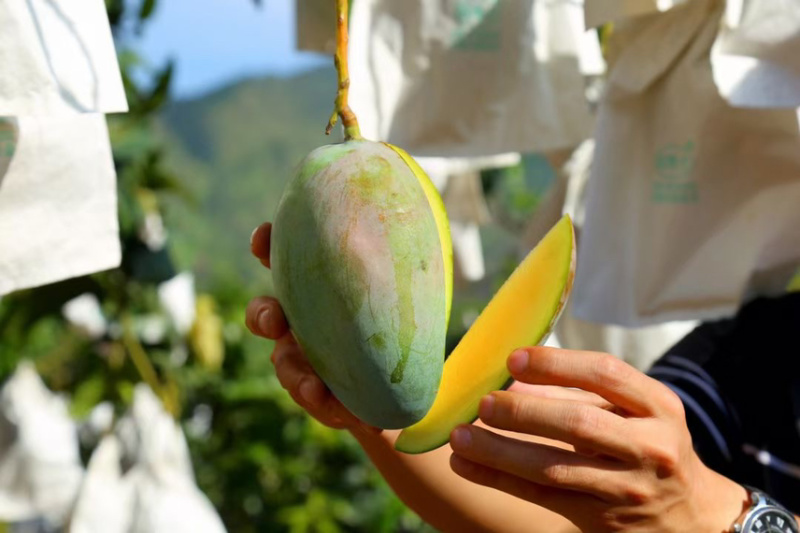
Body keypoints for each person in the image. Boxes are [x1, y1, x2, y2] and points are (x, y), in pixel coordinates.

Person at [246, 222, 800, 532]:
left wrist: (717, 517)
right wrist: (369, 400)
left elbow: (683, 508)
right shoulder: (757, 346)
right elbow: (567, 523)